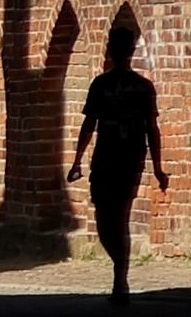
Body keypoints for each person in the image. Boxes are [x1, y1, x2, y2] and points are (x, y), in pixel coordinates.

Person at [67, 25, 168, 302]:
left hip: (122, 156)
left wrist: (158, 167)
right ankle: (119, 268)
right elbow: (91, 124)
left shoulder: (131, 87)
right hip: (118, 155)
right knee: (108, 215)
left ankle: (120, 278)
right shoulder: (110, 86)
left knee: (114, 215)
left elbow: (150, 127)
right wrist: (77, 159)